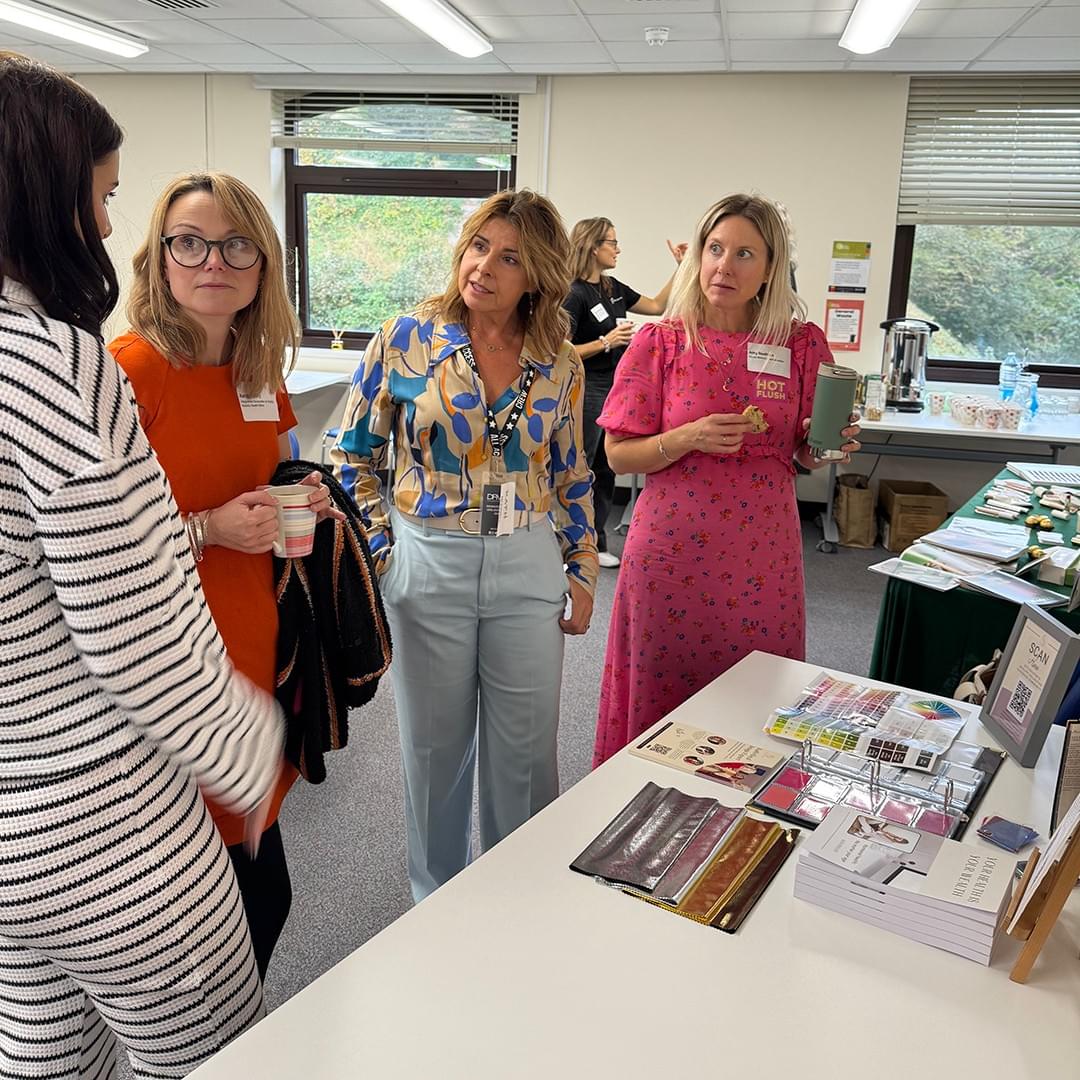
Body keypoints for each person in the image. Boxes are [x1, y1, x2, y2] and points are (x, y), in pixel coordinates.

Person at [0, 54, 284, 1077]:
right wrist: (252, 755)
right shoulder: (57, 363)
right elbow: (133, 631)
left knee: (48, 1063)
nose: (108, 228)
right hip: (94, 815)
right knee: (212, 1057)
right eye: (105, 196)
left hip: (13, 819)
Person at [332, 189, 597, 901]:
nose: (483, 266)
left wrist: (583, 568)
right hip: (430, 560)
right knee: (433, 754)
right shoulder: (405, 338)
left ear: (537, 274)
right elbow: (350, 455)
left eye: (509, 257)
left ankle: (518, 906)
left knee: (525, 758)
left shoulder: (559, 361)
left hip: (527, 562)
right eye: (479, 244)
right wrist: (384, 555)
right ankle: (437, 905)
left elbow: (571, 470)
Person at [109, 172, 338, 981]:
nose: (214, 261)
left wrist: (303, 497)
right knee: (213, 906)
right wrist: (207, 529)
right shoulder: (127, 372)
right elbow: (82, 547)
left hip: (253, 648)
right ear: (160, 259)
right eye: (190, 242)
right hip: (167, 662)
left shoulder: (255, 368)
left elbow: (278, 473)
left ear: (264, 263)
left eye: (237, 244)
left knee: (256, 885)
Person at [592, 193, 861, 767]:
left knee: (757, 699)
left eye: (745, 254)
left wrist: (823, 446)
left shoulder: (799, 342)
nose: (724, 266)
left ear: (769, 269)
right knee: (661, 702)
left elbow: (807, 455)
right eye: (715, 249)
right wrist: (687, 437)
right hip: (672, 553)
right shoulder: (661, 341)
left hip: (763, 556)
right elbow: (617, 456)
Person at [564, 219, 686, 566]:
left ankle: (597, 543)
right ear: (592, 245)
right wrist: (605, 342)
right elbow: (559, 351)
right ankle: (573, 544)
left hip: (615, 389)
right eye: (612, 243)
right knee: (582, 467)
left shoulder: (611, 287)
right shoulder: (574, 294)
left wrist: (682, 267)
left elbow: (657, 305)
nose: (618, 249)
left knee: (605, 467)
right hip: (586, 390)